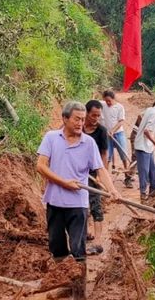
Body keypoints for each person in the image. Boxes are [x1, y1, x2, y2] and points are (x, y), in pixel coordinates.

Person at [36, 101, 120, 267]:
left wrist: (112, 190)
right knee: (57, 247)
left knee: (78, 249)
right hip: (55, 201)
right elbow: (41, 166)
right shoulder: (51, 138)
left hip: (78, 204)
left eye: (82, 119)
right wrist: (64, 183)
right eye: (76, 119)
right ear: (65, 118)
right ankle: (60, 278)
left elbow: (100, 169)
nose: (80, 123)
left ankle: (79, 282)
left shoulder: (88, 143)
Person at [83, 100, 108, 253]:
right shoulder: (79, 128)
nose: (96, 119)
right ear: (86, 113)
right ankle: (86, 233)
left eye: (98, 116)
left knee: (95, 205)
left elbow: (104, 154)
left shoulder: (101, 131)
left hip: (93, 173)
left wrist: (101, 174)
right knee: (81, 205)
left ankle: (98, 241)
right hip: (79, 173)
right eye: (93, 115)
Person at [100, 90, 133, 188]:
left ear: (113, 98)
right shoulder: (102, 105)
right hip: (107, 135)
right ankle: (106, 181)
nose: (107, 102)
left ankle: (127, 178)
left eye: (109, 100)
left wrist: (113, 131)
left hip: (118, 134)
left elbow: (121, 122)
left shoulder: (119, 107)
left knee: (124, 156)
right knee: (107, 157)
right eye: (106, 100)